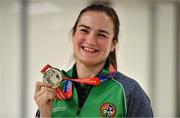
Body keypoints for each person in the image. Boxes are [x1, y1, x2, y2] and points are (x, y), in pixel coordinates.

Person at [34, 3, 153, 117]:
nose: (91, 41)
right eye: (84, 30)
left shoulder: (129, 92)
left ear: (113, 44)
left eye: (102, 34)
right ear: (73, 34)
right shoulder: (55, 88)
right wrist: (45, 115)